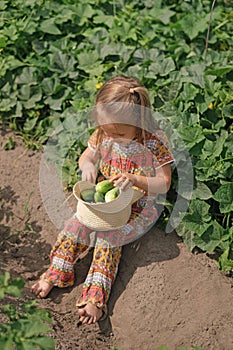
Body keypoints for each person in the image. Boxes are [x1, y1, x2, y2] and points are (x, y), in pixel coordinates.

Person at [31, 75, 174, 325]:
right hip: (106, 201)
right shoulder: (103, 133)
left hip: (137, 207)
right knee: (74, 226)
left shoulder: (153, 141)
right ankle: (57, 273)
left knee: (108, 240)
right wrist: (86, 165)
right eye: (107, 130)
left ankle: (95, 298)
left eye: (118, 132)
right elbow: (86, 157)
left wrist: (136, 179)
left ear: (139, 121)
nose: (111, 136)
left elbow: (164, 183)